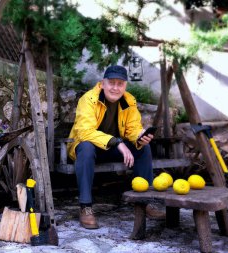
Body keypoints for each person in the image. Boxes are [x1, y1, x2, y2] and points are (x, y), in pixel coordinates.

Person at [67, 65, 164, 229]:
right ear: (103, 83)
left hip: (112, 149)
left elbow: (132, 129)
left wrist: (139, 137)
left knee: (143, 148)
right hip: (89, 149)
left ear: (125, 86)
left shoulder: (128, 100)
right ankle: (85, 207)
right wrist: (118, 143)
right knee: (86, 147)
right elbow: (84, 132)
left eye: (120, 84)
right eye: (111, 83)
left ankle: (146, 202)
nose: (115, 87)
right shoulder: (89, 99)